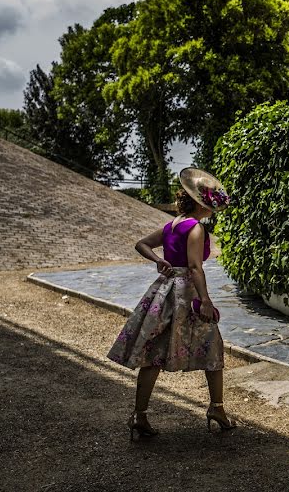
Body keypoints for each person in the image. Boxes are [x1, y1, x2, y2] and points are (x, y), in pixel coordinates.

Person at [108, 167, 235, 440]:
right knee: (212, 346)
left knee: (153, 351)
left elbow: (141, 244)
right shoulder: (196, 227)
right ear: (205, 204)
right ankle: (217, 409)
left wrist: (159, 262)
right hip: (186, 293)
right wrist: (205, 300)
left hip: (163, 292)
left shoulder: (172, 224)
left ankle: (139, 415)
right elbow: (194, 267)